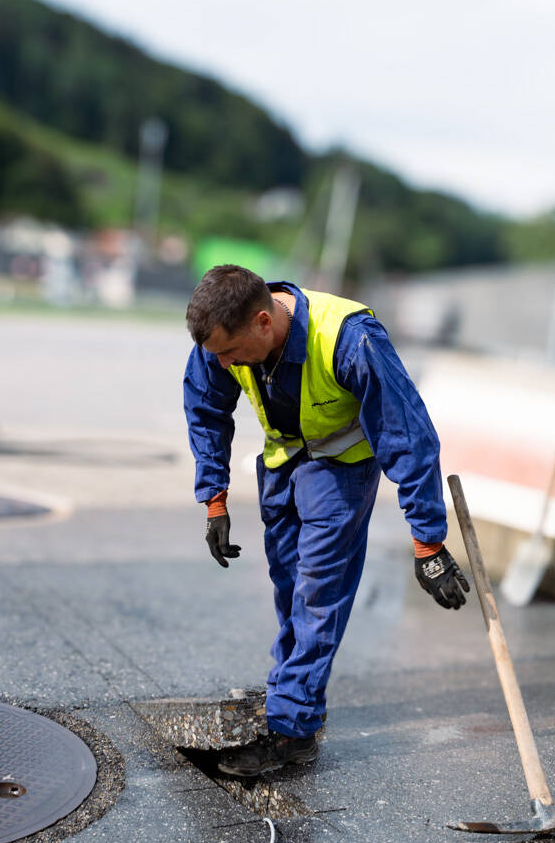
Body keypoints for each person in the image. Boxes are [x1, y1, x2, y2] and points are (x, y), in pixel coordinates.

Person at [183, 264, 469, 779]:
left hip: (341, 470)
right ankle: (293, 698)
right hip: (282, 463)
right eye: (216, 355)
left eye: (228, 353)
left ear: (264, 323)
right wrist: (215, 499)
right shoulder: (222, 336)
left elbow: (407, 435)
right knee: (290, 587)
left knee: (318, 591)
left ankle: (291, 728)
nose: (222, 363)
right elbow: (205, 408)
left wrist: (428, 543)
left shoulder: (350, 340)